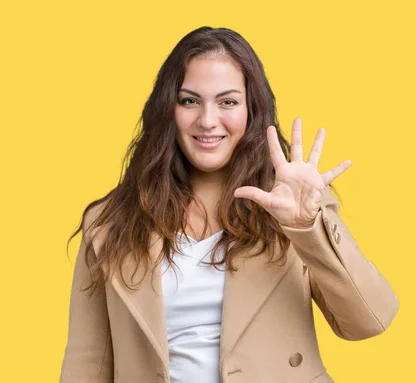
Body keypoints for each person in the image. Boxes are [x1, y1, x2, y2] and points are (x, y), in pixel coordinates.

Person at [59, 26, 399, 383]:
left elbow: (369, 320)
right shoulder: (111, 222)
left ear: (252, 109)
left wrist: (306, 227)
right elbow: (87, 362)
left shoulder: (292, 203)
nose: (208, 120)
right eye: (190, 100)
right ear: (168, 109)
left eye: (227, 102)